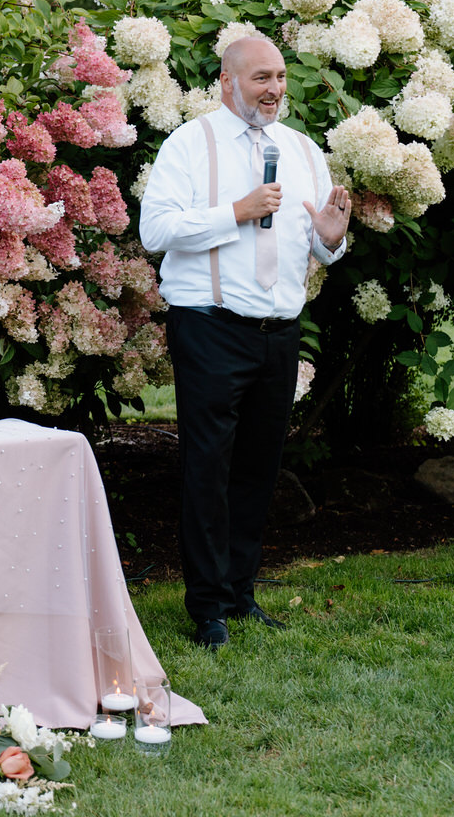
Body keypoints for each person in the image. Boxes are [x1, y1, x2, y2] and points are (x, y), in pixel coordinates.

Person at [139, 35, 351, 650]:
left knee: (260, 467)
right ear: (227, 82)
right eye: (261, 77)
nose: (274, 89)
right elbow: (155, 231)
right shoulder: (190, 144)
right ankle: (208, 607)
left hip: (278, 333)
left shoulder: (303, 150)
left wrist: (331, 239)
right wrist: (234, 210)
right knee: (208, 469)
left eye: (280, 76)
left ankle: (240, 592)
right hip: (209, 327)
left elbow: (321, 246)